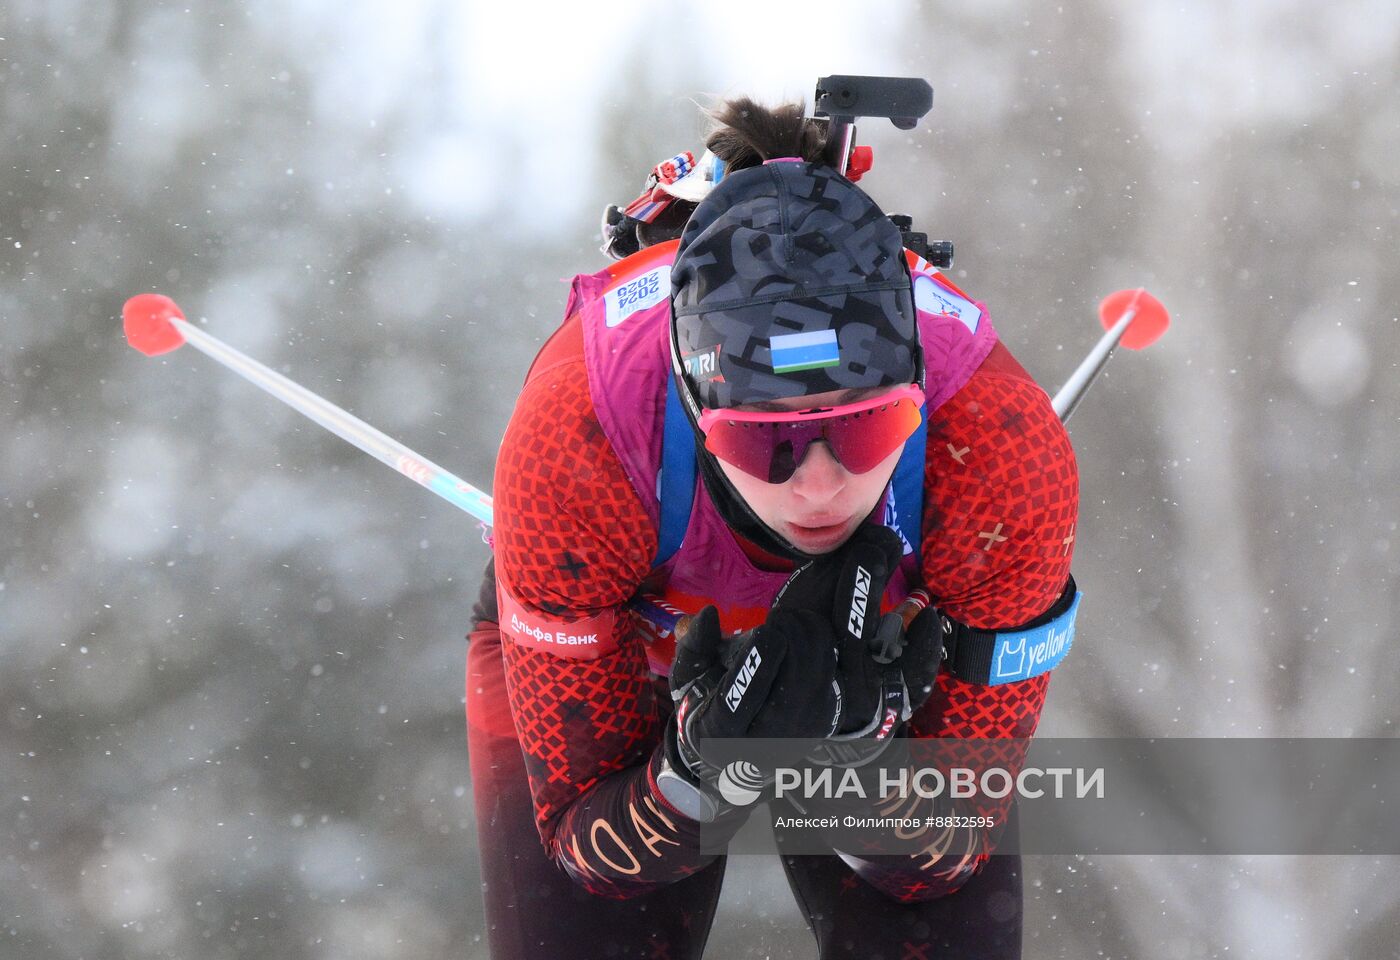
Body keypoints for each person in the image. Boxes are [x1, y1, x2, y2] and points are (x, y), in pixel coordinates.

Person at [466, 96, 1079, 959]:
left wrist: (853, 766)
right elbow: (590, 851)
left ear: (915, 391)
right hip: (634, 642)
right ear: (694, 403)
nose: (820, 486)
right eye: (768, 444)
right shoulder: (578, 445)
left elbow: (944, 859)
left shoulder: (1001, 453)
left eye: (865, 428)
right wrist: (703, 773)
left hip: (891, 638)